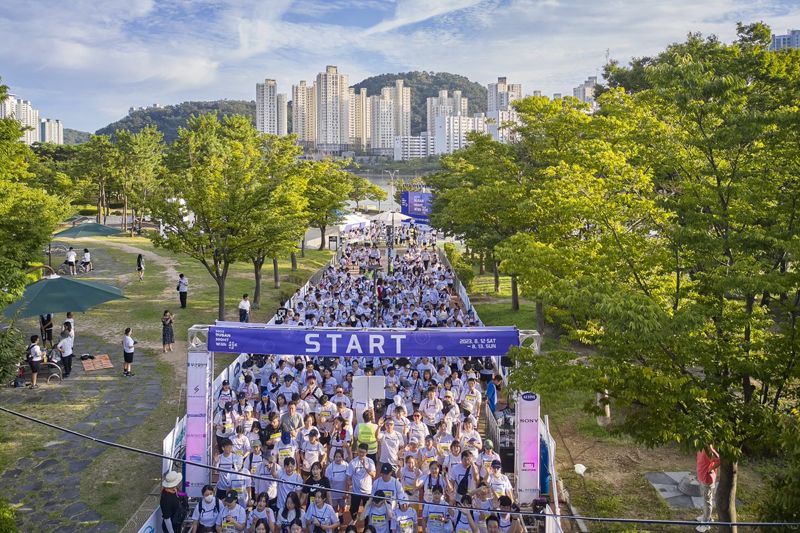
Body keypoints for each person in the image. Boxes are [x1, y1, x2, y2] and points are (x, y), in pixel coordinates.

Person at [346, 443, 377, 519]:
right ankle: (354, 521)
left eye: (363, 452)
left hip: (367, 492)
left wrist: (366, 468)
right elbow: (348, 477)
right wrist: (350, 485)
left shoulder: (370, 462)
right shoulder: (353, 462)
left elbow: (373, 475)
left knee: (367, 512)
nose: (361, 454)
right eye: (359, 451)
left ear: (366, 452)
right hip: (355, 492)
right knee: (353, 510)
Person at [696, 445, 720, 532]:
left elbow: (719, 460)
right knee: (705, 500)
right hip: (702, 477)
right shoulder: (700, 446)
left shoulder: (709, 450)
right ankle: (706, 516)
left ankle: (706, 523)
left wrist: (711, 469)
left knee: (707, 501)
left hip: (707, 479)